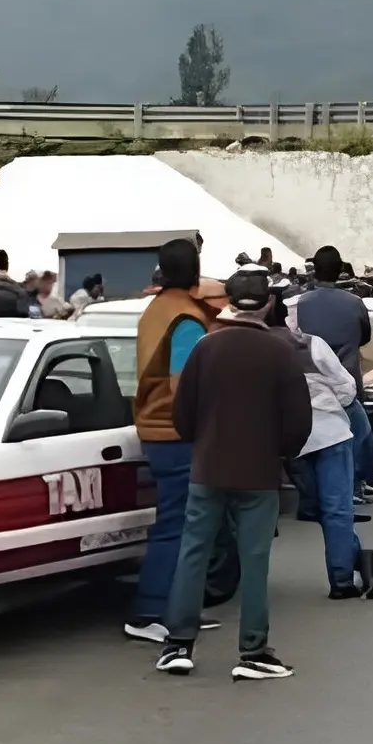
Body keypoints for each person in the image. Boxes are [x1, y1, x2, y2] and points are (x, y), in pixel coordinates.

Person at [154, 269, 313, 681]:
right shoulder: (280, 352)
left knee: (194, 552)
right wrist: (281, 453)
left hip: (208, 466)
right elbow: (298, 421)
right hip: (259, 471)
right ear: (268, 303)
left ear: (227, 300)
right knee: (254, 560)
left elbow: (182, 414)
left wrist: (202, 443)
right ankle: (253, 651)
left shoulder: (206, 348)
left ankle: (177, 645)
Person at [126, 239, 228, 644]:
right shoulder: (186, 317)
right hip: (175, 432)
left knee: (182, 522)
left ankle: (178, 607)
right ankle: (150, 610)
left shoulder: (155, 310)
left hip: (156, 426)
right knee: (178, 525)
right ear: (196, 270)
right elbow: (184, 384)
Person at [276, 303, 373, 601]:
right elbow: (347, 389)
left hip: (288, 442)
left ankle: (358, 561)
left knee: (319, 507)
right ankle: (343, 578)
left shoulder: (244, 350)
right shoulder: (310, 344)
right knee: (336, 508)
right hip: (329, 433)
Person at [294, 246, 373, 498]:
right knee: (352, 433)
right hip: (347, 375)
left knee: (316, 434)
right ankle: (352, 487)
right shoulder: (354, 303)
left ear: (313, 271)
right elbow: (365, 336)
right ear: (341, 270)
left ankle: (317, 491)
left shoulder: (301, 303)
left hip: (311, 378)